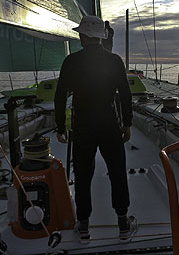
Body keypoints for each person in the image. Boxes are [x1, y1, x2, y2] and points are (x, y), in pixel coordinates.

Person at [54, 15, 134, 242]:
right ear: (100, 36)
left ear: (84, 36)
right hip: (109, 123)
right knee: (117, 172)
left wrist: (61, 126)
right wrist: (127, 124)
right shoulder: (115, 61)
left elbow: (60, 96)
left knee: (82, 175)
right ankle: (123, 224)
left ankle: (84, 226)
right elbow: (125, 96)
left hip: (83, 126)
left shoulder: (71, 61)